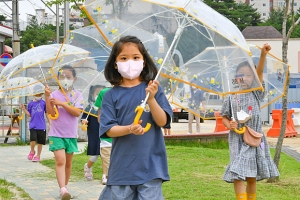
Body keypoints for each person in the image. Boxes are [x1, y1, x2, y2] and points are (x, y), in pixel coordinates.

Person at [98, 35, 173, 200]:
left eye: (136, 57)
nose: (130, 62)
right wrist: (129, 129)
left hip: (151, 167)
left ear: (144, 61)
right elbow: (109, 130)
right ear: (115, 64)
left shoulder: (153, 90)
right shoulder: (110, 95)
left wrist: (151, 99)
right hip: (122, 168)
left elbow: (162, 122)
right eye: (124, 58)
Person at [221, 43, 280, 200]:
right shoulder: (230, 96)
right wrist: (230, 125)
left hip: (254, 138)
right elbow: (224, 116)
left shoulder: (255, 93)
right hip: (237, 139)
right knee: (237, 173)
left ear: (254, 78)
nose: (244, 77)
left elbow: (260, 72)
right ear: (235, 77)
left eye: (248, 75)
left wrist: (262, 55)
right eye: (241, 74)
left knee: (251, 173)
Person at [45, 65, 83, 200]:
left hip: (71, 134)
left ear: (74, 78)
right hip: (56, 133)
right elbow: (50, 112)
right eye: (62, 77)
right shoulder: (53, 95)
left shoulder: (78, 95)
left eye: (68, 77)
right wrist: (47, 96)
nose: (65, 79)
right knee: (60, 160)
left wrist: (62, 103)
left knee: (68, 163)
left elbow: (77, 112)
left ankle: (65, 186)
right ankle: (62, 189)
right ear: (57, 79)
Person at [20, 85, 49, 162]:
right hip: (33, 125)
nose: (38, 96)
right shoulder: (30, 104)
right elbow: (29, 114)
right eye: (37, 94)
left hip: (41, 125)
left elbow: (46, 113)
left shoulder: (43, 103)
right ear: (33, 94)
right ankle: (32, 151)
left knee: (40, 142)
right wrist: (23, 109)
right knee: (32, 139)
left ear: (42, 94)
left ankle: (38, 155)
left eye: (40, 94)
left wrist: (50, 122)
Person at [81, 85, 103, 181]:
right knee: (94, 156)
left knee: (105, 155)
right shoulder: (90, 107)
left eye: (101, 94)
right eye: (97, 94)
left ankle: (105, 175)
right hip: (94, 133)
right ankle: (88, 167)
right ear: (92, 94)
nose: (99, 96)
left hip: (105, 133)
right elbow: (83, 118)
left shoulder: (107, 106)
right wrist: (84, 122)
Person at [94, 86, 112, 185]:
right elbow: (99, 111)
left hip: (123, 131)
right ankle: (106, 175)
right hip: (107, 129)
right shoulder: (104, 92)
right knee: (106, 154)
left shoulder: (128, 91)